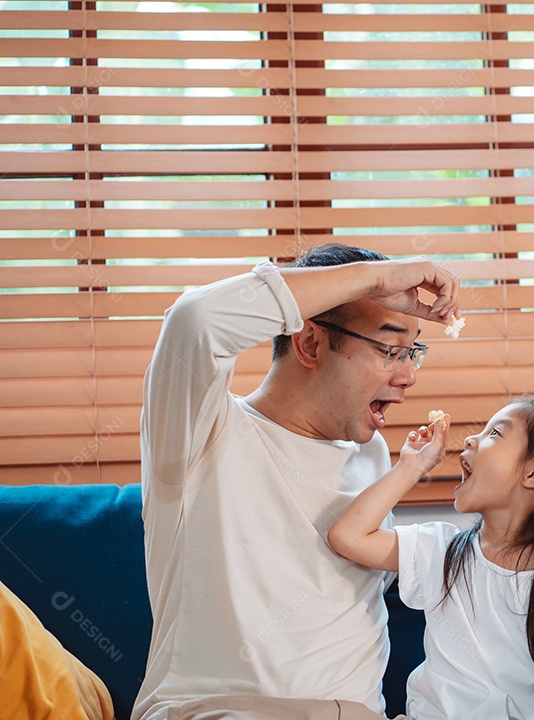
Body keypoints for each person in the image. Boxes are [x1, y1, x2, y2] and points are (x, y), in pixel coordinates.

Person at [135, 243, 460, 720]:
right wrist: (376, 278)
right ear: (310, 344)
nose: (408, 376)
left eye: (413, 352)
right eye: (390, 349)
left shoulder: (371, 453)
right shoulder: (199, 430)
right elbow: (195, 321)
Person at [328, 397, 534, 720]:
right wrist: (411, 467)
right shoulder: (439, 549)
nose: (469, 439)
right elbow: (347, 536)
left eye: (495, 433)